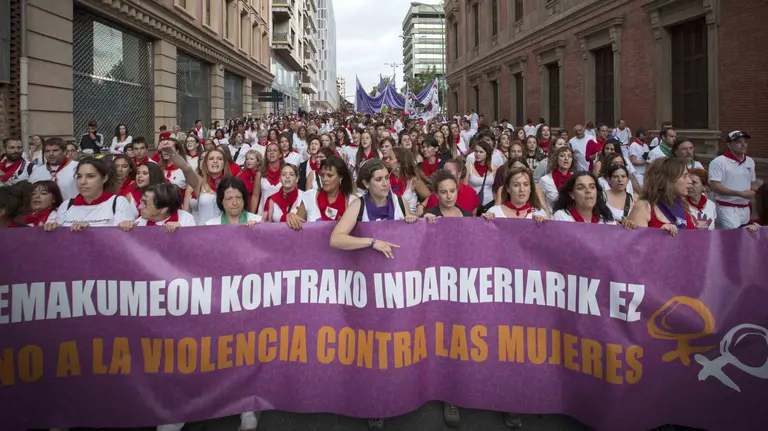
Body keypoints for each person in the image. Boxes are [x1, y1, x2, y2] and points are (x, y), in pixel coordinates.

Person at [330, 159, 417, 263]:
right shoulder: (358, 205)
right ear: (366, 183)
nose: (385, 183)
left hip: (397, 267)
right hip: (370, 269)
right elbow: (335, 239)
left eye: (387, 178)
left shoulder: (400, 201)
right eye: (379, 179)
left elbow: (411, 237)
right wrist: (372, 242)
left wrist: (413, 219)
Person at [44, 157, 137, 230]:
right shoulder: (66, 205)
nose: (83, 182)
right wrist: (50, 229)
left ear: (104, 178)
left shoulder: (118, 203)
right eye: (79, 176)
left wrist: (91, 233)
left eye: (90, 176)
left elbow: (123, 241)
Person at [627, 157, 695, 235]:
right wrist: (658, 234)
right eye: (684, 176)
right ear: (667, 180)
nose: (690, 181)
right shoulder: (644, 207)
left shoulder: (684, 207)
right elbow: (635, 245)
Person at [708, 131, 760, 229]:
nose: (743, 144)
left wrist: (756, 190)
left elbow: (752, 183)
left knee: (745, 236)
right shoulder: (719, 162)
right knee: (734, 236)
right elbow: (715, 186)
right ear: (729, 145)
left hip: (745, 207)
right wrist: (740, 193)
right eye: (738, 142)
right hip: (726, 207)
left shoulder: (750, 161)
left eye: (745, 141)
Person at [287, 156, 356, 228]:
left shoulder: (352, 202)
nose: (324, 179)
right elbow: (297, 226)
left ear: (341, 177)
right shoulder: (309, 197)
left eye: (330, 175)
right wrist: (292, 217)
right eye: (322, 175)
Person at [119, 183, 196, 231]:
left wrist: (182, 232)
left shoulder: (186, 220)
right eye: (141, 201)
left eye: (145, 203)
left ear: (163, 209)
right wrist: (125, 229)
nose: (139, 207)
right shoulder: (140, 222)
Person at [483, 167, 548, 222]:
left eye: (526, 185)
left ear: (530, 188)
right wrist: (484, 221)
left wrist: (542, 225)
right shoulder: (494, 212)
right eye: (516, 185)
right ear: (508, 188)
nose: (522, 189)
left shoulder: (539, 213)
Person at [552, 172, 616, 224]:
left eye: (592, 187)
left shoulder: (606, 220)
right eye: (581, 188)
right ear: (572, 194)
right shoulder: (562, 217)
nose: (588, 191)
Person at [384, 147, 431, 215]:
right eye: (387, 158)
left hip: (410, 222)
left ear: (399, 164)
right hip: (391, 220)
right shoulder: (386, 178)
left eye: (390, 158)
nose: (387, 160)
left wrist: (421, 206)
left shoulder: (413, 180)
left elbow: (430, 197)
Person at [539, 146, 575, 211]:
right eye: (562, 156)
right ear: (556, 159)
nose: (566, 158)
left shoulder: (576, 179)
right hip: (552, 217)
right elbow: (539, 203)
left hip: (571, 217)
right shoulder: (545, 180)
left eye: (569, 156)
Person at [464, 140, 496, 213]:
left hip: (490, 204)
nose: (478, 154)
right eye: (476, 151)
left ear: (487, 154)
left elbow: (495, 190)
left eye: (481, 152)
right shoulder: (468, 168)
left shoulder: (494, 169)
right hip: (473, 204)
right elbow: (465, 188)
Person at [258, 142, 284, 216]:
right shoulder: (260, 173)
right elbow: (255, 196)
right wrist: (252, 216)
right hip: (263, 214)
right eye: (269, 151)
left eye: (275, 151)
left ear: (280, 155)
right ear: (266, 155)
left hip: (280, 214)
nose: (271, 153)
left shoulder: (286, 172)